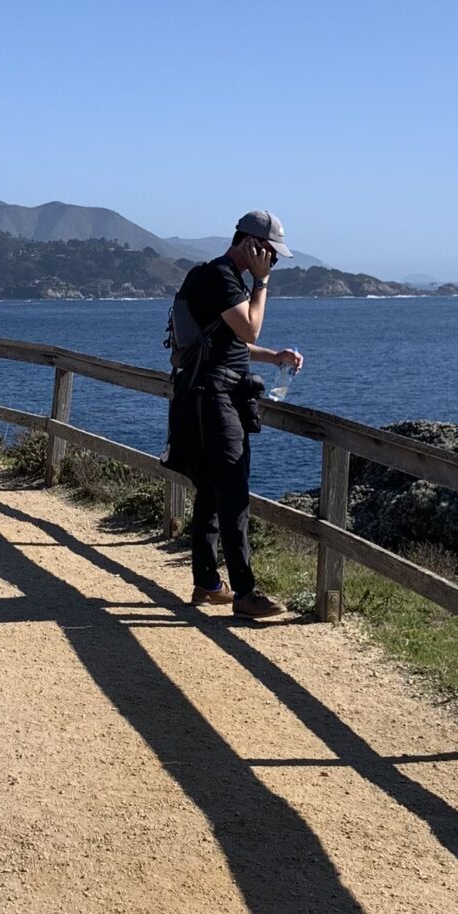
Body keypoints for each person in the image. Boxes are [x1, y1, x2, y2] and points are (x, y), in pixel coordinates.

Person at [167, 211, 303, 619]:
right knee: (232, 490)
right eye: (270, 254)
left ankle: (208, 584)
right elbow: (249, 330)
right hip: (213, 396)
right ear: (250, 244)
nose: (273, 262)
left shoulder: (211, 278)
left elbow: (232, 342)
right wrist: (261, 283)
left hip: (202, 393)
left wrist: (273, 356)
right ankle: (244, 593)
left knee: (210, 490)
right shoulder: (223, 279)